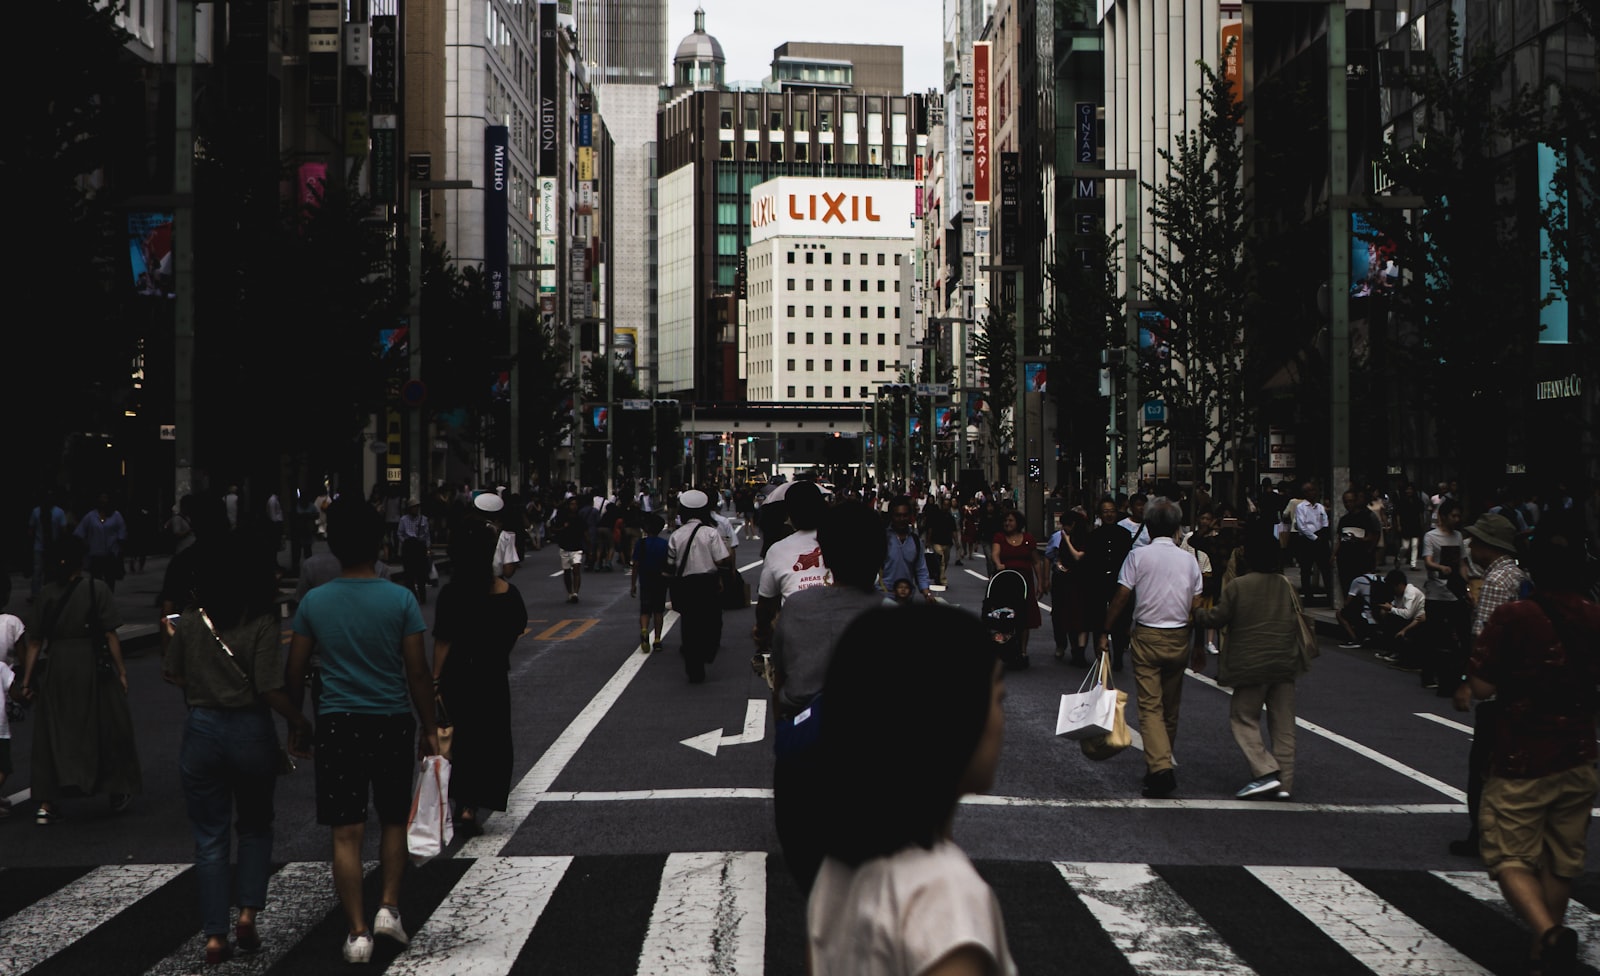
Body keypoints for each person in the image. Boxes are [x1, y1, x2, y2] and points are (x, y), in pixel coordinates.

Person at [802, 604, 1016, 975]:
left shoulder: (838, 867)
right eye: (997, 699)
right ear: (949, 719)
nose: (1002, 719)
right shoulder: (943, 896)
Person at [285, 499, 437, 964]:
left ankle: (356, 933)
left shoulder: (315, 601)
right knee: (393, 818)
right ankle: (389, 907)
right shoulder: (400, 599)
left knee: (346, 831)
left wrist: (297, 721)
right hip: (391, 719)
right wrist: (430, 728)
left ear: (333, 544)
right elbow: (416, 673)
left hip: (338, 721)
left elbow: (294, 671)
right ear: (380, 545)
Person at [162, 532, 311, 965]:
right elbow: (268, 687)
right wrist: (299, 721)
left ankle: (214, 936)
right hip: (249, 729)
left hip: (202, 728)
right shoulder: (263, 619)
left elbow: (173, 673)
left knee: (209, 838)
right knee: (255, 825)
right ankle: (247, 912)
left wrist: (206, 685)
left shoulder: (192, 618)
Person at [1466, 527, 1600, 976]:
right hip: (1580, 752)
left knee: (1508, 855)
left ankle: (1548, 934)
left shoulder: (1516, 616)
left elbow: (1483, 685)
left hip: (1523, 753)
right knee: (1562, 857)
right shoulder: (1592, 614)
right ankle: (1544, 956)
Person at [770, 501, 889, 894]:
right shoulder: (893, 615)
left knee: (809, 872)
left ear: (825, 553)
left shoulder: (797, 608)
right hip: (873, 755)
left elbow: (780, 677)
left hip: (803, 749)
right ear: (880, 554)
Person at [16, 536, 142, 822]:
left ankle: (48, 800)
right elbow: (111, 634)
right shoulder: (97, 590)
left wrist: (26, 680)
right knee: (107, 724)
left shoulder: (46, 594)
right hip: (92, 663)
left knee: (54, 729)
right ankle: (115, 786)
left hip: (59, 664)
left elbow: (35, 642)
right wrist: (121, 670)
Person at [1098, 497, 1203, 799]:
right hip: (1180, 636)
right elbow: (1197, 605)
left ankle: (1159, 769)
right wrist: (1198, 645)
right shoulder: (1188, 560)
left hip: (1146, 634)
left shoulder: (1138, 556)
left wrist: (1106, 630)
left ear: (1149, 524)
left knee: (1150, 707)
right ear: (1176, 527)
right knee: (1170, 707)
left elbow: (1121, 596)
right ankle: (1160, 760)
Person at [1194, 533, 1309, 801]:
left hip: (1252, 663)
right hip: (1285, 662)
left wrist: (1198, 613)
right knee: (1284, 724)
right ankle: (1285, 784)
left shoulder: (1238, 586)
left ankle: (1265, 770)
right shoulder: (1286, 584)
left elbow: (1218, 617)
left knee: (1243, 717)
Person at [431, 519, 527, 837]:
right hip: (492, 675)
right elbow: (514, 631)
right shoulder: (507, 594)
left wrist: (434, 682)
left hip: (458, 676)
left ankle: (462, 803)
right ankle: (474, 804)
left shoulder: (452, 594)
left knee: (460, 739)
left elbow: (443, 642)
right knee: (490, 739)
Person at [1449, 512, 1532, 858]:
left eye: (1477, 540)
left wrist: (1469, 681)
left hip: (1496, 690)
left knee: (1483, 766)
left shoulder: (1496, 583)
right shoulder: (1519, 576)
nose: (1471, 545)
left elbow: (1486, 639)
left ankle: (1481, 835)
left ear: (1489, 546)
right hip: (1521, 688)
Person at [752, 482, 829, 678]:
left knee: (783, 690)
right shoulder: (840, 539)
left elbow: (765, 604)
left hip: (796, 641)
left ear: (789, 514)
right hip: (837, 634)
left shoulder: (778, 550)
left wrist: (761, 633)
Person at [665, 490, 733, 684]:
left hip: (685, 584)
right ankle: (707, 652)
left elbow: (670, 564)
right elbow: (722, 560)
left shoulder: (676, 535)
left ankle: (694, 668)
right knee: (712, 621)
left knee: (689, 625)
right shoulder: (711, 533)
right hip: (707, 583)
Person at [1418, 498, 1469, 688]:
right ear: (1443, 516)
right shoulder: (1431, 537)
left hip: (1455, 592)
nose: (1456, 519)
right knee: (1434, 635)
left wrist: (1466, 585)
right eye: (1453, 515)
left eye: (1458, 516)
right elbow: (1428, 561)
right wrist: (1441, 567)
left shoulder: (1458, 537)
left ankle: (1455, 671)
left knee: (1459, 632)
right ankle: (1429, 674)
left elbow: (1463, 563)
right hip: (1436, 592)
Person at [1086, 498, 1136, 671]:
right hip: (1098, 582)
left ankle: (1119, 657)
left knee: (1120, 620)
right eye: (1105, 511)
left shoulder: (1124, 534)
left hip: (1118, 581)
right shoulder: (1093, 536)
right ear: (1100, 514)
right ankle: (1101, 656)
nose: (1109, 514)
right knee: (1098, 620)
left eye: (1112, 511)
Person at [990, 509, 1043, 665]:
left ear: (1018, 523)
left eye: (1011, 520)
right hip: (1005, 581)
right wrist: (999, 564)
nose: (1008, 523)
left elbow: (1035, 561)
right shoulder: (999, 537)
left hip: (1024, 583)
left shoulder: (1028, 539)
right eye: (1006, 521)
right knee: (1004, 615)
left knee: (1025, 617)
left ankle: (1023, 651)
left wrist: (1041, 581)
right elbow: (995, 553)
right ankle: (1004, 649)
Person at [1046, 510, 1092, 665]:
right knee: (1064, 614)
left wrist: (1067, 540)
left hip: (1080, 581)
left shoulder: (1083, 538)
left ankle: (1079, 651)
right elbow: (1056, 557)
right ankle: (1069, 646)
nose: (1064, 528)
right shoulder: (1062, 538)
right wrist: (1059, 565)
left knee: (1079, 615)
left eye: (1067, 525)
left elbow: (1078, 556)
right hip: (1064, 579)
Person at [630, 514, 670, 653]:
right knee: (658, 611)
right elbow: (669, 564)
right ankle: (657, 639)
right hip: (660, 580)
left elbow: (635, 564)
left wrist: (633, 584)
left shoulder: (640, 544)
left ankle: (644, 629)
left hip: (645, 580)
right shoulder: (665, 544)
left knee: (645, 609)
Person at [883, 496, 935, 603]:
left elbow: (921, 569)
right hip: (884, 596)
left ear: (910, 516)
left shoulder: (915, 541)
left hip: (906, 598)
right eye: (898, 516)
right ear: (891, 516)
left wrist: (927, 593)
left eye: (905, 515)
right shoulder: (882, 539)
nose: (901, 519)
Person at [1291, 484, 1334, 605]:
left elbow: (1325, 522)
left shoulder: (1320, 507)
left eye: (1314, 490)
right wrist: (1314, 537)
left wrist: (1322, 535)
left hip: (1321, 539)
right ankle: (1308, 597)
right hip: (1307, 540)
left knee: (1325, 569)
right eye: (1309, 491)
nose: (1312, 493)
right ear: (1304, 493)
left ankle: (1330, 595)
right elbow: (1301, 526)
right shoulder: (1301, 507)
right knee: (1306, 569)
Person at [75, 493, 127, 593]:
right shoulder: (90, 516)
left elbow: (122, 533)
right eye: (101, 498)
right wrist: (85, 544)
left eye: (105, 498)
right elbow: (79, 533)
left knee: (110, 581)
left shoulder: (116, 516)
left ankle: (108, 601)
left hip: (110, 555)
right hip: (95, 555)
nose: (103, 501)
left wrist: (119, 549)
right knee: (95, 583)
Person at [28, 489, 68, 601]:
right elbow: (31, 530)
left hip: (53, 546)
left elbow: (63, 530)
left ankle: (51, 593)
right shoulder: (36, 512)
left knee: (50, 570)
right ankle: (36, 594)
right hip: (39, 545)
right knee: (38, 571)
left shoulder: (58, 512)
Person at [548, 496, 588, 603]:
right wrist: (563, 527)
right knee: (566, 571)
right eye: (572, 504)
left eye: (575, 504)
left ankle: (575, 593)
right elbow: (553, 529)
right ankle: (570, 592)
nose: (574, 506)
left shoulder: (580, 518)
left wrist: (589, 547)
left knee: (576, 568)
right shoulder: (562, 517)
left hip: (577, 547)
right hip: (564, 547)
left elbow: (585, 533)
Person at [397, 499, 432, 606]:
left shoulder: (423, 519)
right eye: (413, 507)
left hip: (419, 547)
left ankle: (422, 597)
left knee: (421, 574)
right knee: (409, 575)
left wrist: (428, 549)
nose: (415, 509)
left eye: (417, 507)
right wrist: (406, 542)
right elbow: (400, 533)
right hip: (409, 547)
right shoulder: (404, 520)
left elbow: (427, 536)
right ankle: (413, 596)